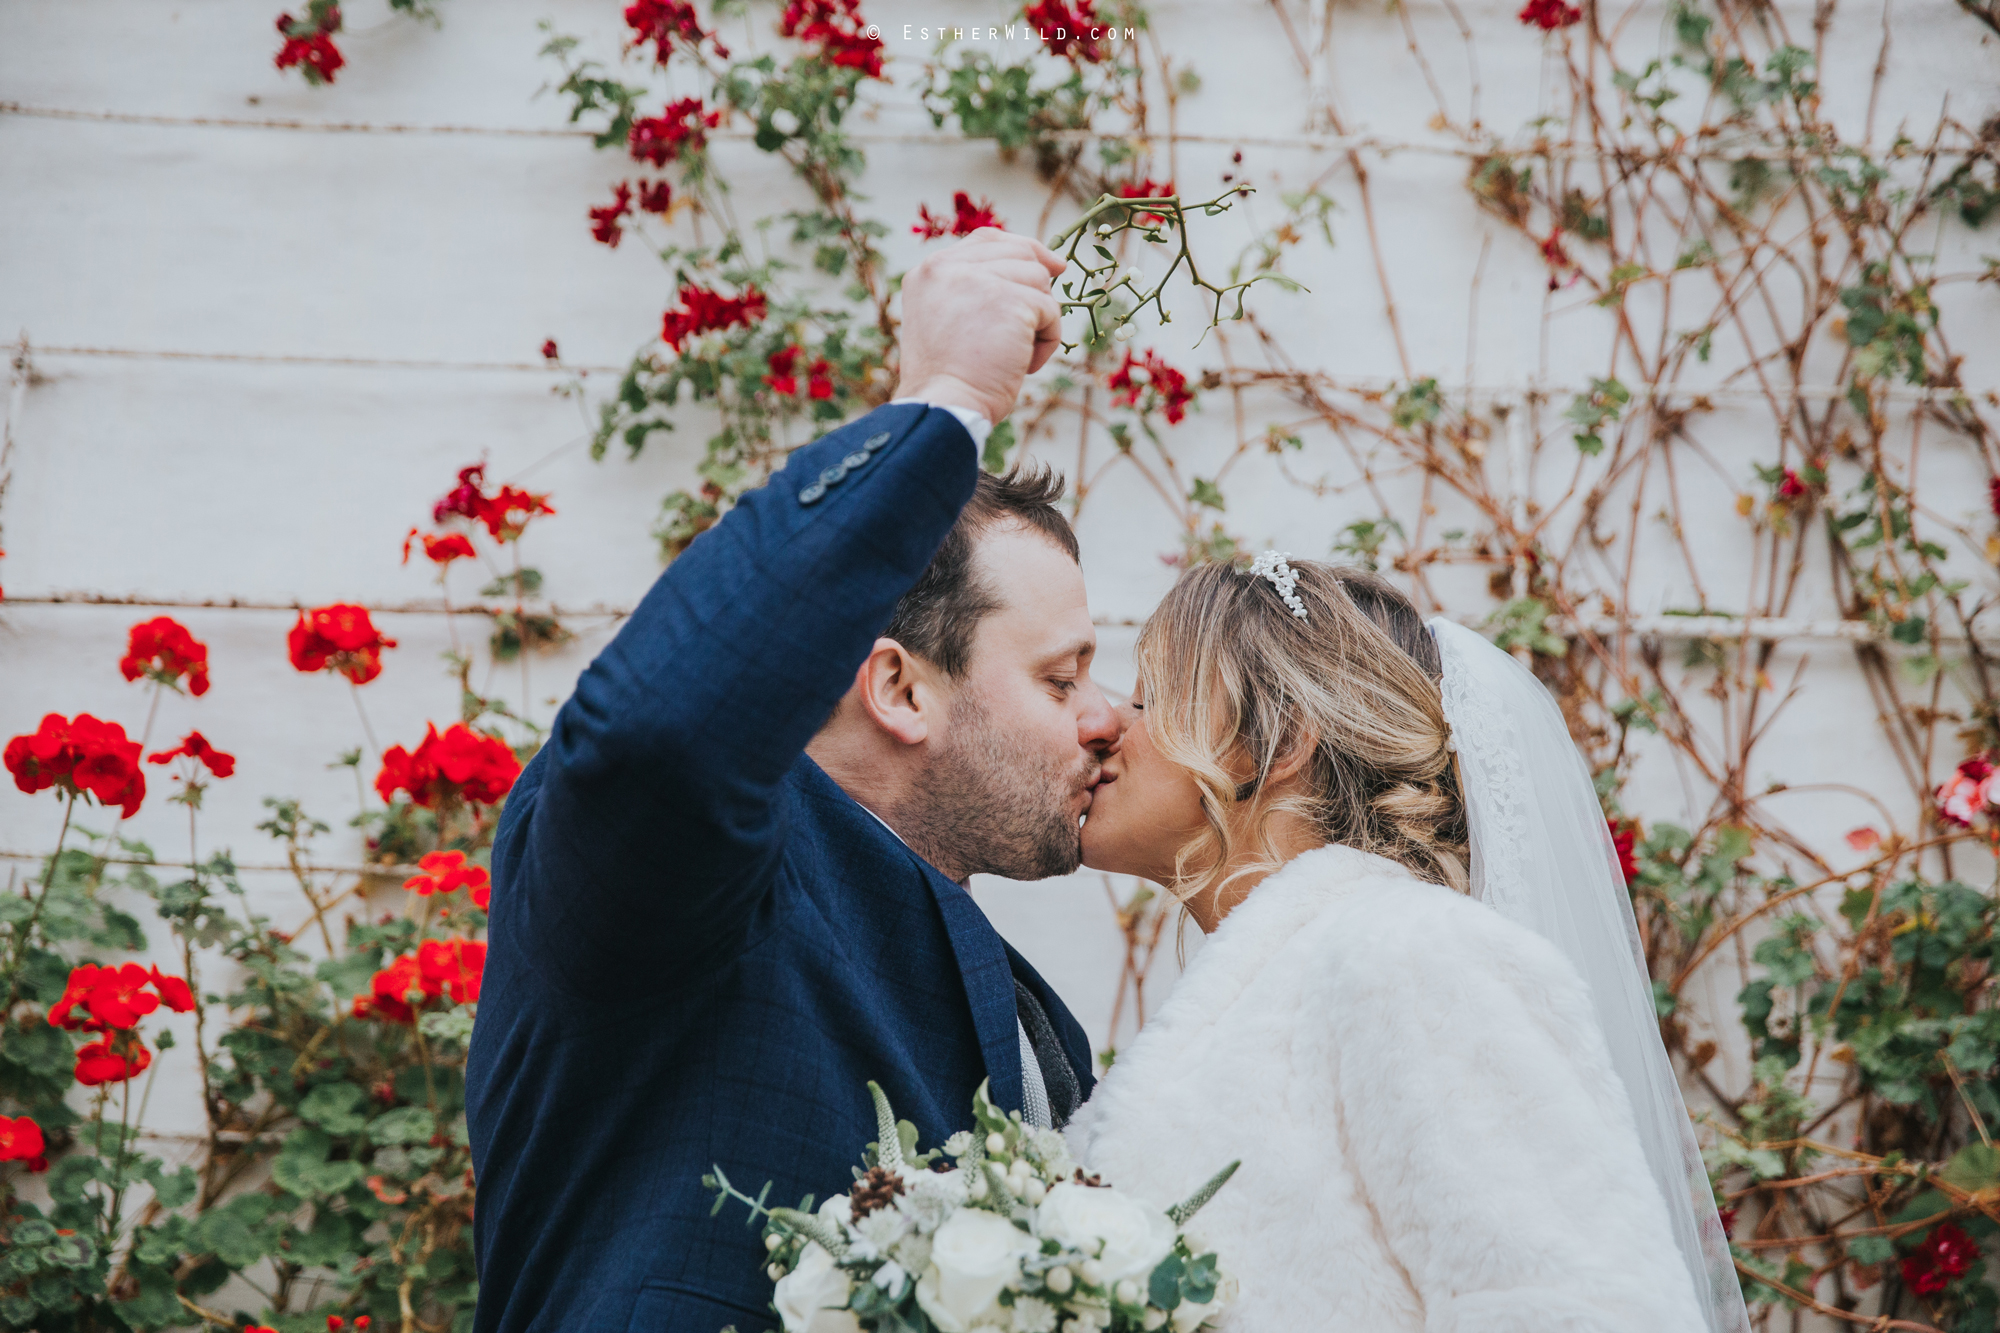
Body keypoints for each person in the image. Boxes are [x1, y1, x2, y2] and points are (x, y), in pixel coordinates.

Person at [465, 230, 1122, 1332]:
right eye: (1060, 678)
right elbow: (657, 735)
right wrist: (944, 399)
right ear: (900, 690)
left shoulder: (1023, 1009)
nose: (1104, 717)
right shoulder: (689, 886)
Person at [1069, 557, 1752, 1332]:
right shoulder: (1274, 981)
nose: (1105, 726)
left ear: (1281, 738)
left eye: (1150, 697)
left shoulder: (1413, 956)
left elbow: (1584, 1312)